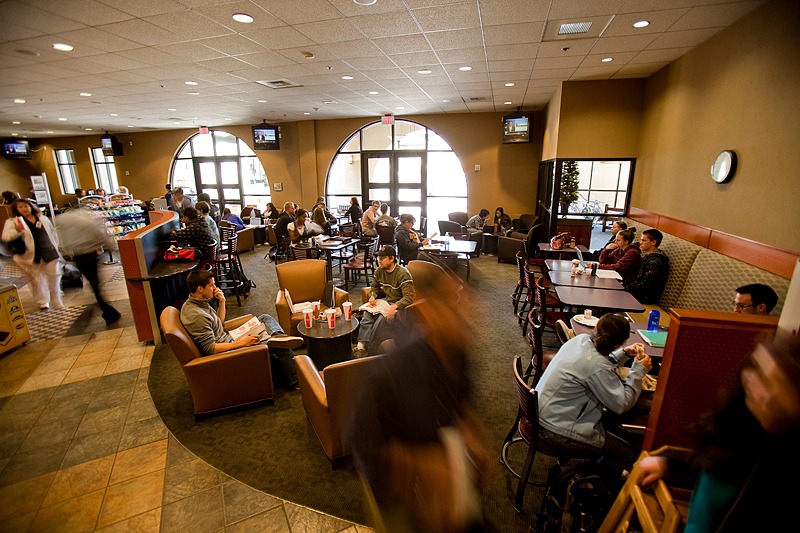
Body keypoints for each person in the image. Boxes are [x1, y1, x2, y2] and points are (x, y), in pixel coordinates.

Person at [348, 267, 489, 533]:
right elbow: (362, 440)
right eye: (451, 305)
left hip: (449, 479)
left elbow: (461, 403)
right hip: (403, 498)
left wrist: (471, 436)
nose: (464, 316)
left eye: (466, 304)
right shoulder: (391, 372)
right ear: (429, 312)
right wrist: (418, 465)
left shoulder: (459, 354)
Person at [635, 335, 800, 532]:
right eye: (758, 370)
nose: (758, 388)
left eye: (778, 382)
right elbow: (719, 463)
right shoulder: (748, 428)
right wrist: (669, 463)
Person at [535, 313, 653, 479]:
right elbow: (621, 404)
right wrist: (639, 371)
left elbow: (598, 360)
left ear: (596, 328)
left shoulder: (581, 339)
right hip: (557, 429)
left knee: (608, 426)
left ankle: (598, 469)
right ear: (621, 342)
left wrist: (624, 354)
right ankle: (590, 477)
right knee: (627, 452)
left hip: (541, 413)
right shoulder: (598, 367)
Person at [180, 270, 303, 389]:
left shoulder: (197, 302)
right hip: (228, 347)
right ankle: (296, 380)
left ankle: (278, 337)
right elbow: (210, 348)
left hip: (228, 337)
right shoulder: (197, 316)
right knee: (277, 346)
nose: (215, 288)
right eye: (211, 285)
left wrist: (222, 301)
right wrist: (244, 342)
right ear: (200, 288)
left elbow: (218, 322)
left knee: (265, 318)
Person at [56, 207, 121, 325]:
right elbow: (99, 235)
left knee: (94, 284)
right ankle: (108, 311)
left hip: (78, 256)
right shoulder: (84, 221)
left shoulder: (62, 221)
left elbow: (62, 240)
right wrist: (112, 248)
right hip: (89, 255)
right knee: (95, 285)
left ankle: (107, 310)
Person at [1, 198, 64, 310]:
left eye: (26, 206)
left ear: (31, 206)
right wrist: (17, 231)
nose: (24, 209)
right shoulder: (13, 222)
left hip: (48, 251)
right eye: (20, 207)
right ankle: (43, 301)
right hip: (28, 255)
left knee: (54, 276)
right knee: (36, 279)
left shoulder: (42, 218)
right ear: (16, 209)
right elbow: (6, 237)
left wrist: (57, 245)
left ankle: (56, 298)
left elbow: (52, 233)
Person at [353, 245, 415, 359]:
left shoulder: (402, 274)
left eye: (382, 258)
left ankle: (371, 351)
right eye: (378, 258)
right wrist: (372, 297)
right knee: (367, 315)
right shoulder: (379, 271)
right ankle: (361, 347)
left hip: (397, 303)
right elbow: (374, 287)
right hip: (385, 301)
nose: (379, 261)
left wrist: (394, 307)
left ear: (392, 258)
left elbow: (409, 297)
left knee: (379, 322)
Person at [624, 229, 670, 304]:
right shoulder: (649, 256)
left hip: (645, 297)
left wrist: (625, 288)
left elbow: (645, 286)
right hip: (638, 291)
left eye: (644, 240)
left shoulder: (655, 262)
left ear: (653, 242)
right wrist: (625, 284)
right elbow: (638, 278)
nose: (640, 243)